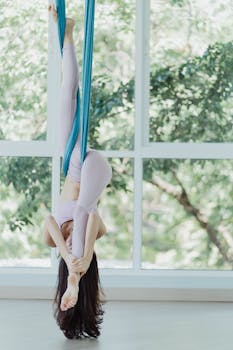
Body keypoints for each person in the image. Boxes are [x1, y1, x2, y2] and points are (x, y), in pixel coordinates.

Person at [42, 4, 112, 339]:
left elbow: (48, 223)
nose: (71, 246)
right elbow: (93, 218)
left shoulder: (58, 243)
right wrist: (80, 260)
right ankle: (74, 280)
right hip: (94, 168)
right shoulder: (89, 239)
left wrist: (67, 256)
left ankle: (66, 34)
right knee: (85, 210)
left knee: (67, 90)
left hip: (73, 161)